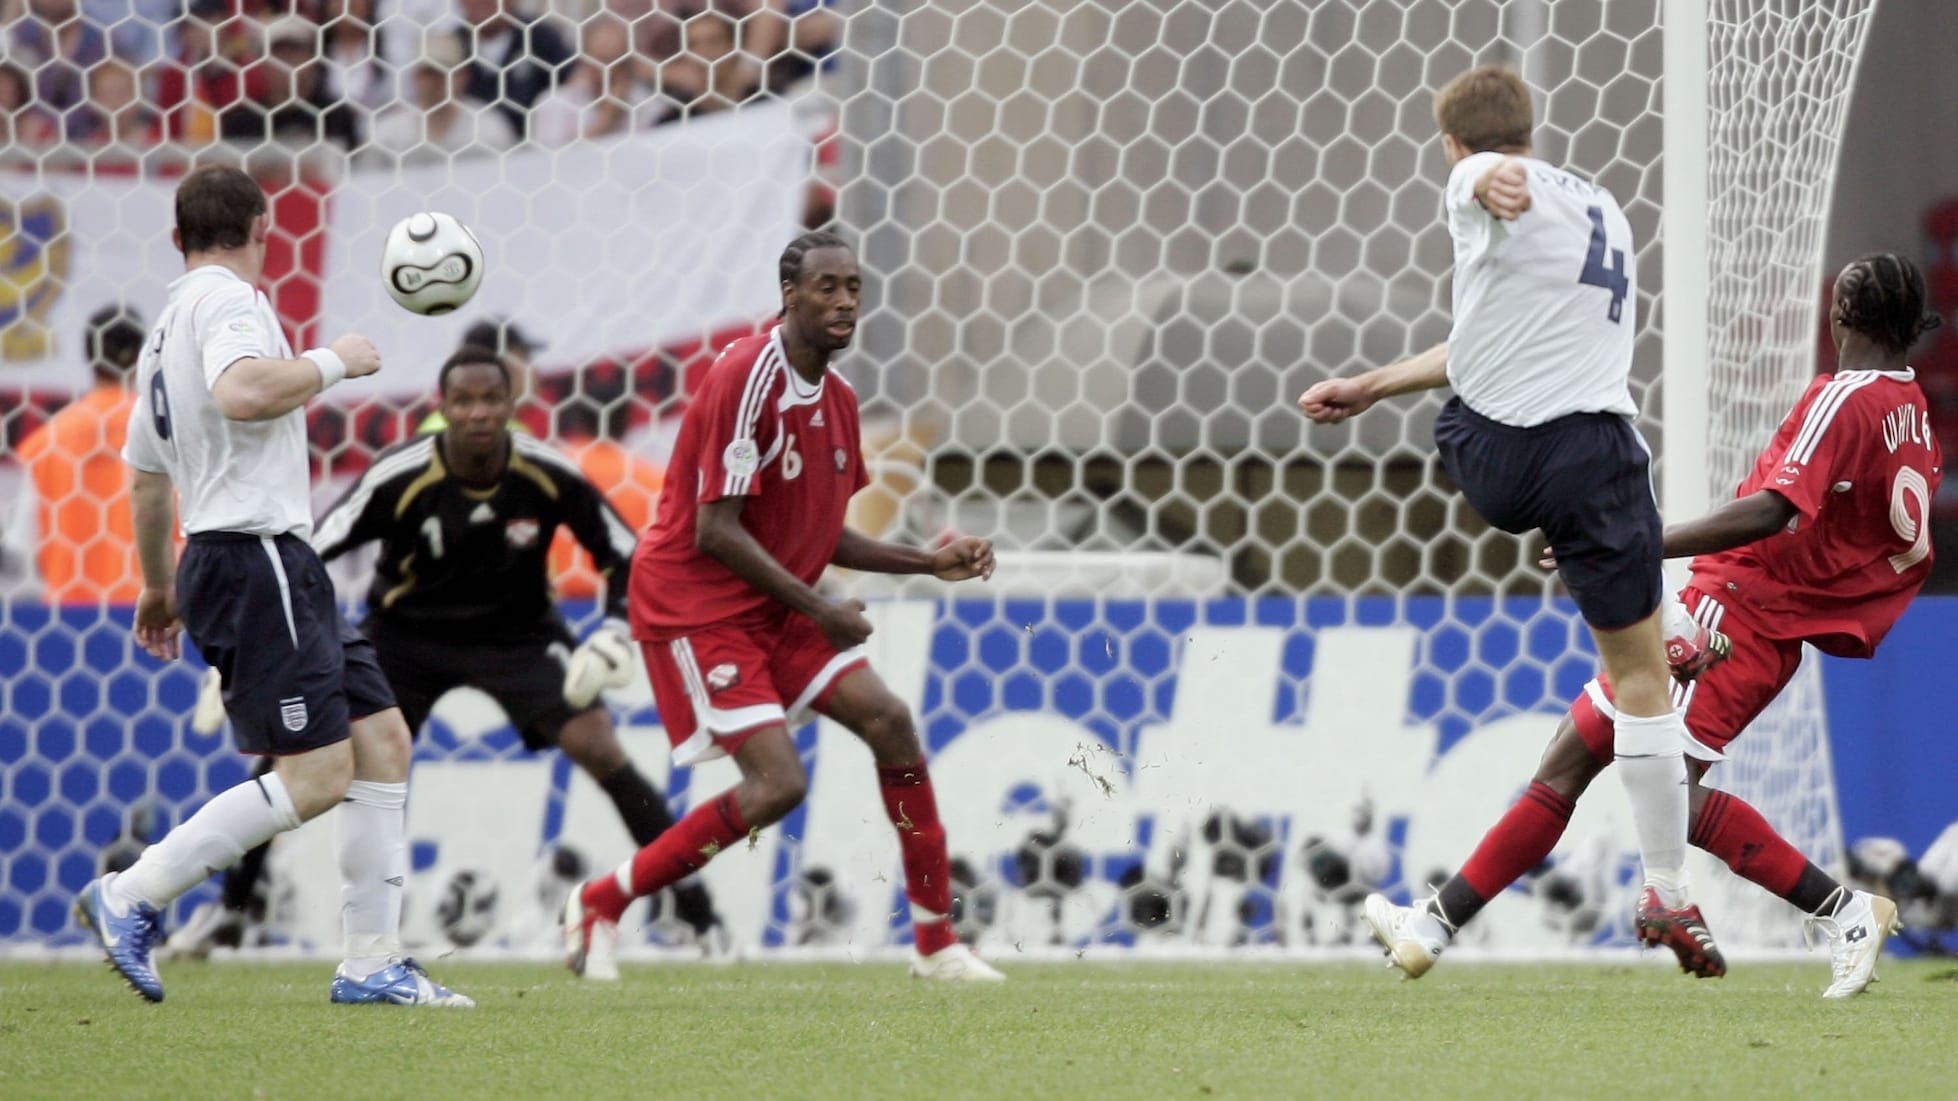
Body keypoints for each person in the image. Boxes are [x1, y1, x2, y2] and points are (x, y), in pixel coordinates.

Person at [1362, 253, 1945, 998]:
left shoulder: (1845, 396)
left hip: (1738, 606)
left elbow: (1774, 507)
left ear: (1839, 316)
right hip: (1763, 616)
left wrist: (1643, 539)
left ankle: (1842, 910)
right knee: (1569, 762)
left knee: (1674, 796)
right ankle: (1431, 925)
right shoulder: (1912, 409)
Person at [1298, 64, 1723, 972]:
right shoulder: (1601, 205)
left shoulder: (1477, 183)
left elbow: (1474, 188)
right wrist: (1370, 385)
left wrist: (1479, 182)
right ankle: (1668, 887)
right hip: (1608, 460)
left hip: (1505, 459)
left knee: (1469, 410)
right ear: (1531, 128)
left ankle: (1661, 893)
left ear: (1454, 142)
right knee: (1643, 681)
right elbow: (1489, 337)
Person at [560, 231, 1005, 981]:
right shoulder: (745, 376)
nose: (843, 301)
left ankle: (937, 946)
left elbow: (821, 533)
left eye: (854, 288)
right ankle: (602, 900)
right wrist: (823, 611)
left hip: (773, 600)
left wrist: (926, 562)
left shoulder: (838, 398)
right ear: (789, 294)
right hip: (697, 603)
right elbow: (716, 529)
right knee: (779, 785)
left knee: (890, 720)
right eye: (826, 287)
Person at [74, 163, 471, 1007]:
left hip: (258, 557)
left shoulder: (160, 331)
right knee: (320, 774)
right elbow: (244, 391)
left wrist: (156, 585)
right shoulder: (229, 304)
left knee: (383, 740)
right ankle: (130, 893)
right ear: (265, 227)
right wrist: (335, 360)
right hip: (254, 556)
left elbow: (145, 477)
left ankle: (372, 961)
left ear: (176, 237)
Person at [308, 346, 726, 947]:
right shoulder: (398, 475)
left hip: (519, 636)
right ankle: (246, 907)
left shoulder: (545, 472)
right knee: (328, 757)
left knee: (601, 749)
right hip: (408, 635)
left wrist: (612, 628)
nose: (478, 412)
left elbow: (628, 557)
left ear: (512, 405)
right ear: (442, 407)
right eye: (464, 401)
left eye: (490, 399)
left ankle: (698, 913)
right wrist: (287, 642)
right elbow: (312, 552)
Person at [14, 304, 147, 605]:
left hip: (68, 617)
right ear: (141, 357)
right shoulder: (163, 431)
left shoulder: (48, 440)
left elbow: (23, 542)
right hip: (152, 620)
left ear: (89, 356)